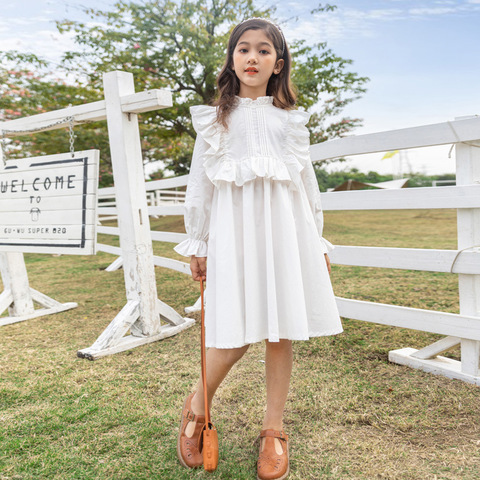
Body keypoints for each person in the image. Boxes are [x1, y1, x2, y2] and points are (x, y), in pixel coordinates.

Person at [173, 17, 343, 480]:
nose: (253, 57)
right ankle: (197, 407)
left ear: (278, 63)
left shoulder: (290, 122)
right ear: (232, 59)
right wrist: (199, 242)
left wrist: (317, 241)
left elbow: (307, 187)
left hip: (286, 233)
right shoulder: (215, 119)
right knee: (232, 333)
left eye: (264, 51)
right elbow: (200, 188)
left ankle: (273, 430)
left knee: (280, 329)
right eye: (244, 49)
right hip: (233, 233)